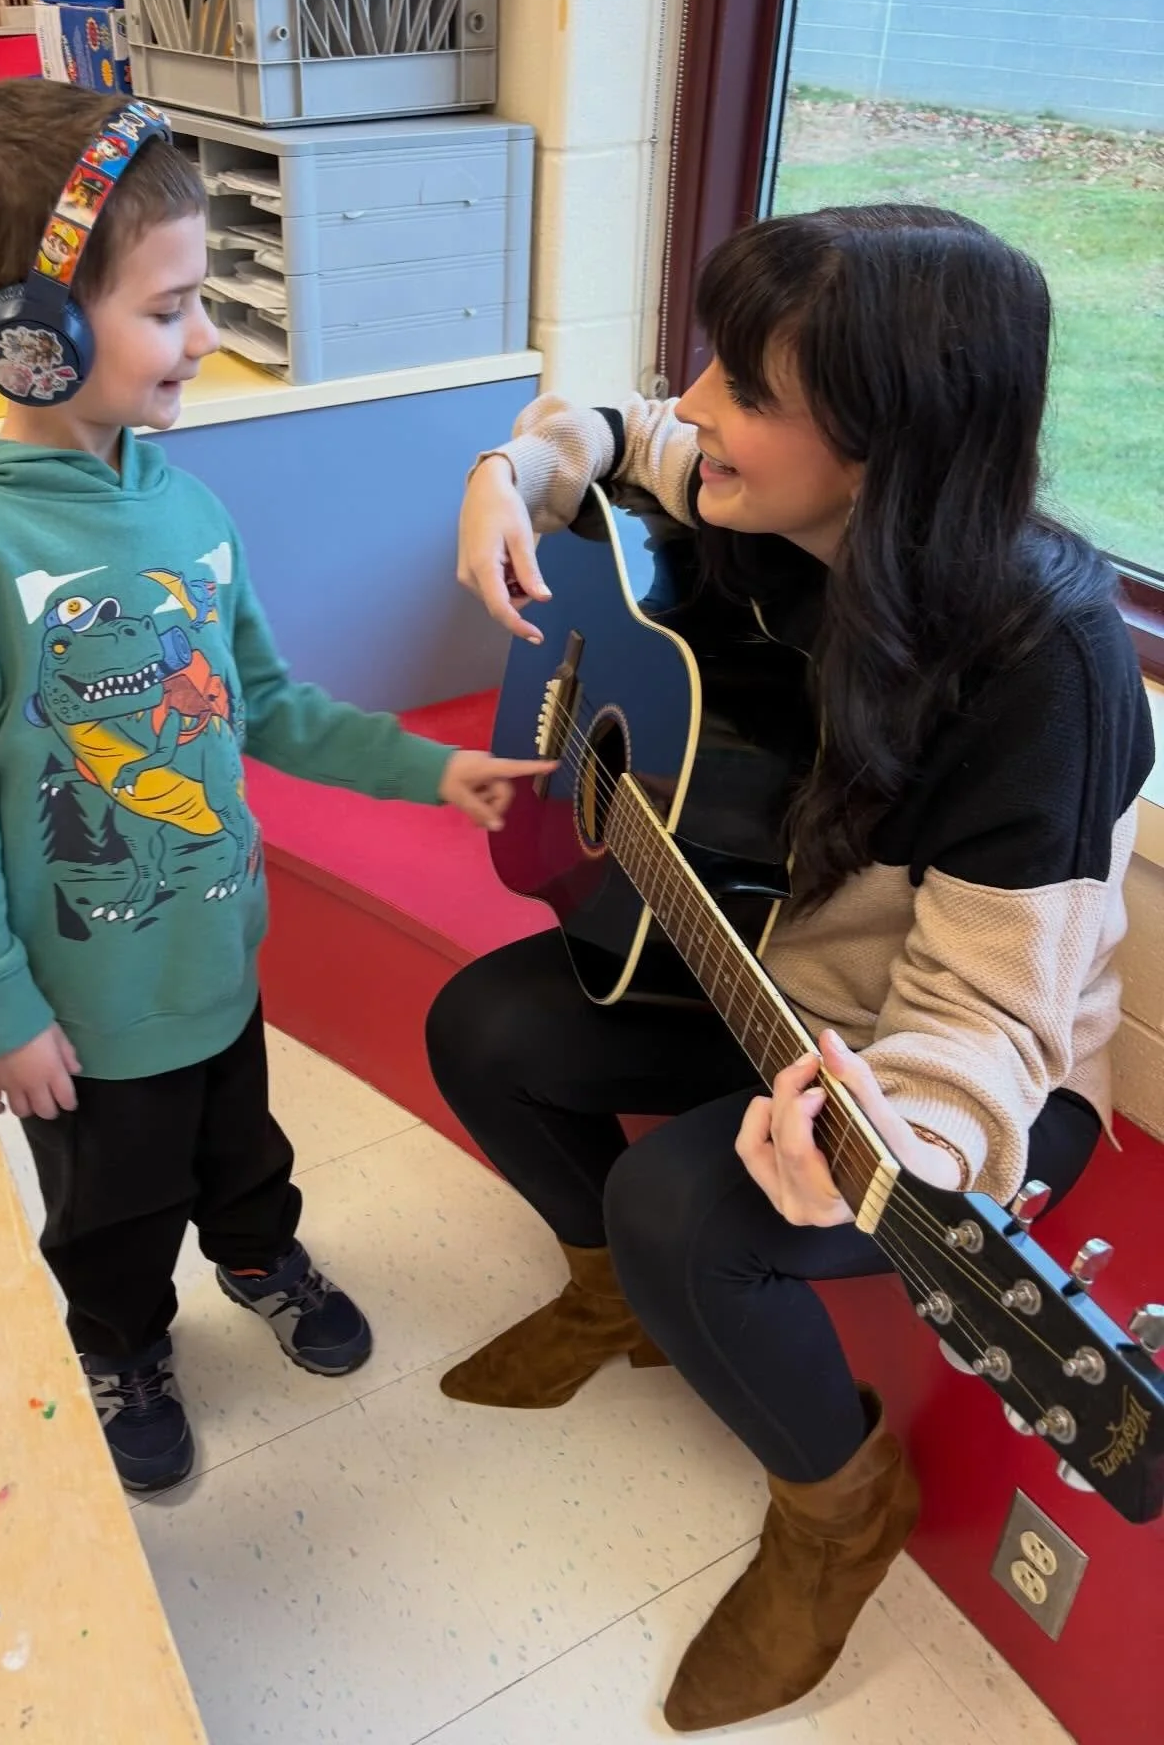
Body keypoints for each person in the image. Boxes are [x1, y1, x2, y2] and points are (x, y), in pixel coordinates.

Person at [430, 205, 1154, 1731]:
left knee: (684, 1207)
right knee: (482, 1028)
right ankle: (606, 1296)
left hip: (951, 1082)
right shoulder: (752, 496)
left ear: (891, 448)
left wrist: (897, 1128)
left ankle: (838, 1515)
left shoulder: (1046, 666)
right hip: (760, 963)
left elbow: (991, 1018)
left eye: (747, 390)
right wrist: (513, 474)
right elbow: (616, 433)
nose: (698, 406)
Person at [0, 81, 547, 1495]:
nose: (208, 335)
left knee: (242, 1151)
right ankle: (118, 1339)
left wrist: (435, 768)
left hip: (215, 959)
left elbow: (269, 705)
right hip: (78, 1020)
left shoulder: (183, 507)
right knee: (111, 1211)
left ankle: (255, 1251)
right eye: (170, 308)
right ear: (33, 335)